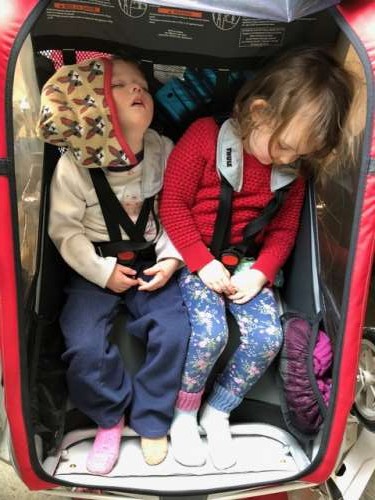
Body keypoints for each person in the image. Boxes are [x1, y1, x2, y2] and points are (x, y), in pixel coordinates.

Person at [159, 47, 354, 470]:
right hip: (198, 255)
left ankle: (219, 410)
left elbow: (283, 231)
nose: (287, 159)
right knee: (209, 334)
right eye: (284, 145)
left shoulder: (291, 173)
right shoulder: (203, 139)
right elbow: (172, 206)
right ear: (259, 112)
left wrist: (263, 271)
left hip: (247, 265)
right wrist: (200, 261)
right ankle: (185, 413)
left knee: (268, 337)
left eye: (299, 155)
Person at [36, 56, 191, 475]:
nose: (137, 89)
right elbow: (64, 232)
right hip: (93, 264)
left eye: (141, 83)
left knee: (176, 332)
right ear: (94, 104)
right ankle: (109, 417)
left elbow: (179, 211)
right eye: (119, 86)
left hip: (150, 259)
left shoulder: (163, 150)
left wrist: (172, 259)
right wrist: (101, 272)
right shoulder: (73, 166)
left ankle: (153, 418)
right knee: (84, 345)